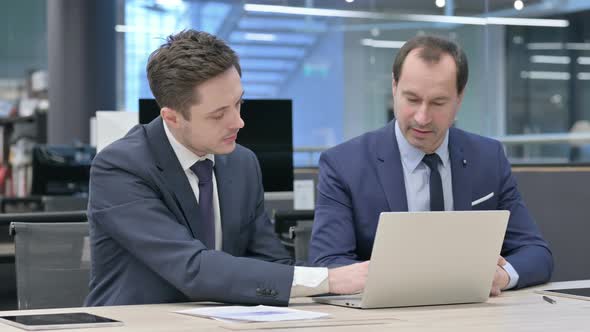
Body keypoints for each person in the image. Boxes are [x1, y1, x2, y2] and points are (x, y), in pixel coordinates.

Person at [85, 29, 368, 307]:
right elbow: (191, 268)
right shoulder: (120, 168)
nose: (238, 122)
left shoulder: (241, 163)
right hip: (140, 323)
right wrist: (328, 279)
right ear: (172, 117)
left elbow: (269, 261)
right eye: (219, 114)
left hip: (226, 320)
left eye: (239, 103)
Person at [309, 35, 553, 296]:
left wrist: (502, 276)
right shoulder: (344, 165)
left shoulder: (487, 157)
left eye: (438, 103)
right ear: (394, 88)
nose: (422, 117)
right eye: (412, 99)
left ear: (459, 98)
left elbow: (537, 253)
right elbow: (327, 264)